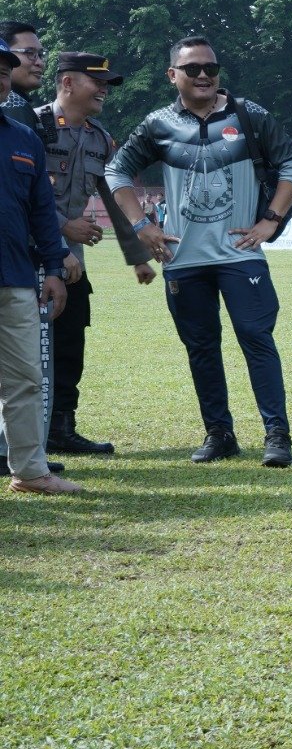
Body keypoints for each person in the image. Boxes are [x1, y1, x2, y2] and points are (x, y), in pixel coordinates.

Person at [107, 37, 292, 468]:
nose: (203, 76)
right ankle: (220, 434)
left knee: (257, 340)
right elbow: (117, 170)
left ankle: (277, 434)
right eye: (193, 68)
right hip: (184, 259)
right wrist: (142, 226)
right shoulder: (158, 123)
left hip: (241, 254)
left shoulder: (248, 114)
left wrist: (270, 219)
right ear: (172, 75)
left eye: (210, 68)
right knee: (201, 347)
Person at [40, 53, 157, 456]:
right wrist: (62, 227)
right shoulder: (32, 127)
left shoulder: (99, 138)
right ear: (68, 84)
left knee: (70, 347)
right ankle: (22, 433)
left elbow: (115, 196)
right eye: (97, 82)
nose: (104, 90)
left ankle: (61, 429)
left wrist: (138, 256)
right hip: (30, 254)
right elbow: (22, 193)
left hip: (73, 263)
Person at [0, 42, 81, 493]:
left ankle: (30, 471)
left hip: (14, 279)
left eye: (4, 69)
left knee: (25, 379)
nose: (1, 75)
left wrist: (53, 268)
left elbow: (40, 212)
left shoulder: (24, 138)